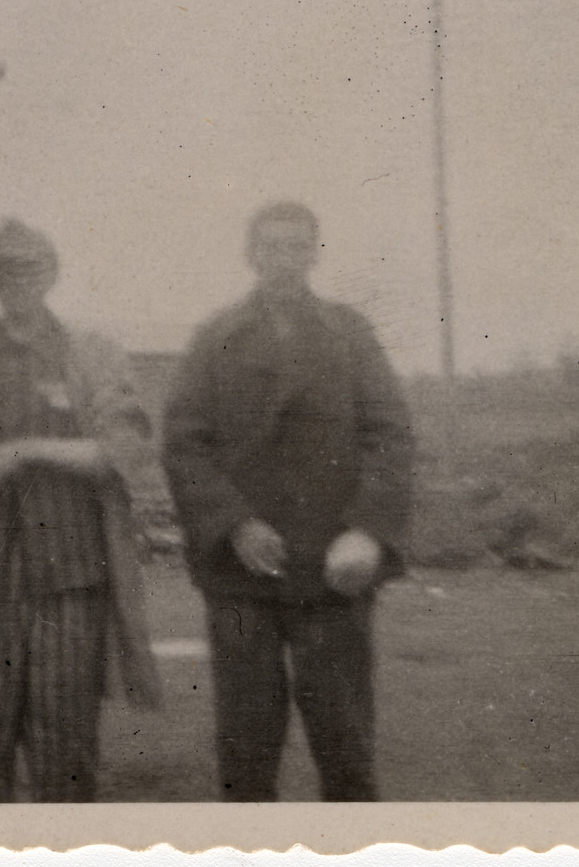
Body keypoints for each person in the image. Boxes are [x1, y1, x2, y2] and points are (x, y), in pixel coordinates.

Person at [162, 201, 412, 802]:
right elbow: (183, 445)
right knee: (246, 745)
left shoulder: (351, 335)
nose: (284, 260)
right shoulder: (214, 338)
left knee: (345, 740)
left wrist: (366, 533)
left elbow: (391, 436)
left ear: (315, 255)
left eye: (297, 247)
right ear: (252, 255)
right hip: (242, 574)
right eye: (271, 247)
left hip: (332, 573)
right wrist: (235, 525)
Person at [0, 218, 161, 803]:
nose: (19, 280)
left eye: (32, 268)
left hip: (70, 583)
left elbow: (125, 449)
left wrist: (28, 450)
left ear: (52, 274)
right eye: (5, 271)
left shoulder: (91, 355)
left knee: (66, 751)